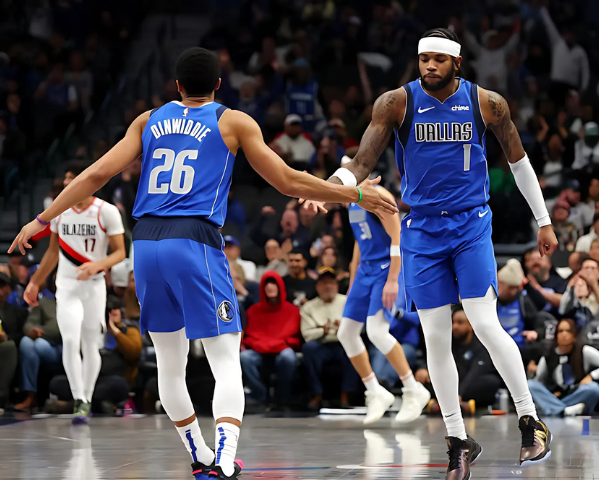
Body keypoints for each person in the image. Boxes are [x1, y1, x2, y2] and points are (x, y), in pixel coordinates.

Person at [8, 48, 395, 480]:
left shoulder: (148, 120)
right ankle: (226, 461)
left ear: (176, 86)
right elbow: (286, 180)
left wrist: (43, 219)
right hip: (193, 241)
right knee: (225, 357)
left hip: (147, 244)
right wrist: (356, 194)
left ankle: (201, 454)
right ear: (218, 85)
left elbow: (96, 174)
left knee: (171, 363)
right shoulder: (232, 121)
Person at [302, 29, 556, 478]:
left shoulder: (487, 103)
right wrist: (331, 189)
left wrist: (543, 219)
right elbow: (361, 162)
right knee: (436, 336)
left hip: (471, 224)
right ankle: (458, 439)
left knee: (482, 322)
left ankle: (530, 420)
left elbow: (518, 163)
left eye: (439, 60)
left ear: (457, 63)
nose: (429, 67)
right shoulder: (395, 103)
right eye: (424, 60)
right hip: (421, 229)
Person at [21, 163, 126, 424]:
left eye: (72, 179)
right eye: (66, 180)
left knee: (90, 343)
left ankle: (87, 397)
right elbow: (52, 252)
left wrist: (98, 264)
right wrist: (35, 282)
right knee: (70, 339)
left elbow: (121, 253)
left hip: (94, 285)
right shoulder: (60, 211)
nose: (68, 184)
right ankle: (79, 398)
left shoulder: (106, 211)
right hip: (66, 286)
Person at [337, 180, 431, 425]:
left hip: (386, 268)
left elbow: (397, 236)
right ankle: (375, 391)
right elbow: (360, 239)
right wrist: (352, 275)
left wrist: (392, 280)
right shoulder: (350, 200)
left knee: (376, 331)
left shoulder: (379, 195)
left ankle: (413, 389)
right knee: (346, 333)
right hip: (364, 271)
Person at [417, 305, 501, 412]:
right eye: (453, 322)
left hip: (469, 383)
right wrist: (423, 368)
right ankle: (452, 401)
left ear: (471, 326)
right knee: (426, 378)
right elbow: (433, 357)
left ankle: (448, 401)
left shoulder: (481, 345)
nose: (455, 326)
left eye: (460, 323)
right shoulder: (447, 341)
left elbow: (475, 372)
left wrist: (459, 394)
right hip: (450, 382)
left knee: (491, 382)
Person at [528, 319, 599, 416]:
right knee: (530, 385)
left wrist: (591, 376)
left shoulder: (583, 351)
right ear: (556, 336)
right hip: (555, 396)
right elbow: (539, 381)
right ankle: (564, 410)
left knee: (593, 388)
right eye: (560, 331)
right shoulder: (549, 355)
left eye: (568, 331)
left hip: (576, 394)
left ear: (574, 336)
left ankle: (555, 409)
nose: (564, 334)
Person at [240, 271, 301, 408]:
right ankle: (260, 395)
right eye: (267, 284)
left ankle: (282, 397)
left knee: (288, 357)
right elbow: (249, 337)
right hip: (260, 351)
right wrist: (267, 345)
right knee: (245, 357)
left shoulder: (292, 311)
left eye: (273, 283)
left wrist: (271, 344)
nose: (270, 287)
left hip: (281, 350)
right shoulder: (253, 311)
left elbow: (295, 337)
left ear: (280, 287)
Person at [300, 267, 357, 408]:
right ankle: (317, 394)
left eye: (331, 282)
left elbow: (358, 327)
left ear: (337, 285)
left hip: (342, 343)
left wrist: (343, 328)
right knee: (308, 348)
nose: (328, 286)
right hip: (321, 344)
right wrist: (322, 332)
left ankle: (346, 395)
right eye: (324, 283)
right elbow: (307, 334)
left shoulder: (347, 302)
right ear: (317, 286)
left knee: (356, 347)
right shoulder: (309, 307)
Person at [14, 289, 62, 412]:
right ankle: (30, 396)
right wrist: (32, 330)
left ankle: (32, 397)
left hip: (64, 347)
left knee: (40, 344)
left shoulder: (75, 304)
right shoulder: (45, 303)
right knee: (26, 342)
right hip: (45, 345)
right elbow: (29, 323)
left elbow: (57, 330)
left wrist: (42, 332)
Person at [0, 272, 26, 412]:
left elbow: (20, 335)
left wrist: (6, 338)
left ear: (9, 289)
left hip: (6, 348)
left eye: (2, 286)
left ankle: (2, 396)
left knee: (9, 346)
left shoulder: (18, 312)